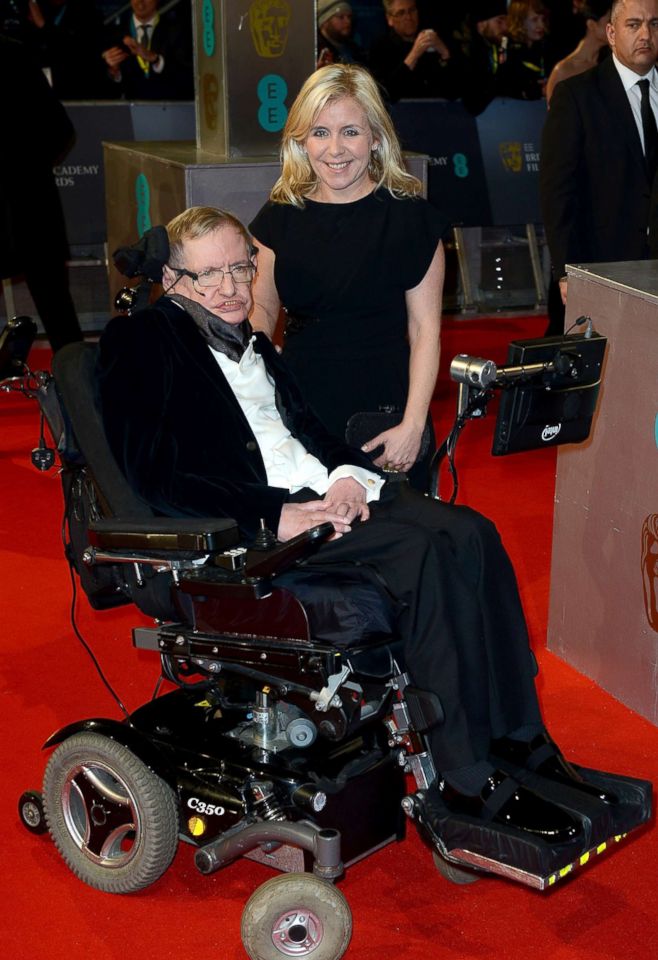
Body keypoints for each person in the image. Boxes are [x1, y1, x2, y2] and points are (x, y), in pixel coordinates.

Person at [99, 205, 616, 845]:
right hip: (259, 529)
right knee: (424, 553)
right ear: (171, 279)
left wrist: (352, 478)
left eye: (241, 267)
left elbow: (310, 434)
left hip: (326, 497)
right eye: (209, 276)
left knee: (473, 531)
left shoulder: (256, 342)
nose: (232, 288)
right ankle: (463, 771)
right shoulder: (141, 340)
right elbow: (154, 476)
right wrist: (275, 512)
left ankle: (521, 740)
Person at [249, 63, 445, 493]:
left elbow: (426, 331)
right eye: (320, 132)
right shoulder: (279, 218)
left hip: (383, 412)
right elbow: (260, 310)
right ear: (301, 139)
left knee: (393, 542)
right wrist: (262, 370)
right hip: (300, 412)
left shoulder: (412, 220)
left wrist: (413, 424)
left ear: (376, 138)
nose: (335, 149)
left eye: (350, 132)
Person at [540, 0, 658, 334]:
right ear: (610, 32)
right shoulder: (576, 96)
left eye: (654, 24)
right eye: (633, 25)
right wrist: (567, 271)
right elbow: (557, 192)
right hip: (603, 268)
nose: (646, 34)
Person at [0, 31, 83, 353]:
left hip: (30, 205)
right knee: (58, 311)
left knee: (56, 308)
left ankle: (80, 386)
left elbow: (60, 130)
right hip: (33, 205)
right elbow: (60, 130)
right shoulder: (15, 54)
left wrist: (21, 170)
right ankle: (81, 391)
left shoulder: (14, 55)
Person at [369, 0, 462, 100]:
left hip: (441, 110)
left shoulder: (434, 40)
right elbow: (386, 94)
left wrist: (445, 53)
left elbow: (459, 89)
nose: (408, 17)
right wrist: (414, 55)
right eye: (401, 13)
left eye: (412, 10)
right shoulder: (380, 48)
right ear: (389, 19)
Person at [101, 0, 193, 100]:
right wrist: (113, 72)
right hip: (130, 111)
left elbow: (188, 77)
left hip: (170, 108)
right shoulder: (113, 33)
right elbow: (102, 91)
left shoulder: (176, 29)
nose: (140, 1)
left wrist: (155, 59)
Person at [545, 0, 611, 104]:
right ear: (592, 25)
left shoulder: (611, 63)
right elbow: (557, 117)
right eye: (610, 21)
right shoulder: (563, 70)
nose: (616, 27)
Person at [457, 0, 511, 114]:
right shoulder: (467, 54)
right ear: (481, 26)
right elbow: (473, 105)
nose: (506, 27)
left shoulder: (500, 49)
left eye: (507, 21)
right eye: (499, 21)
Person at [497, 0, 549, 100]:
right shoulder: (505, 44)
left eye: (542, 20)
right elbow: (503, 84)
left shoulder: (543, 45)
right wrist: (536, 90)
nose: (541, 25)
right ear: (519, 21)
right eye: (534, 20)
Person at [316, 0, 368, 68]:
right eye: (341, 17)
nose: (348, 21)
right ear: (325, 22)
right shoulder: (316, 51)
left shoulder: (355, 50)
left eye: (349, 17)